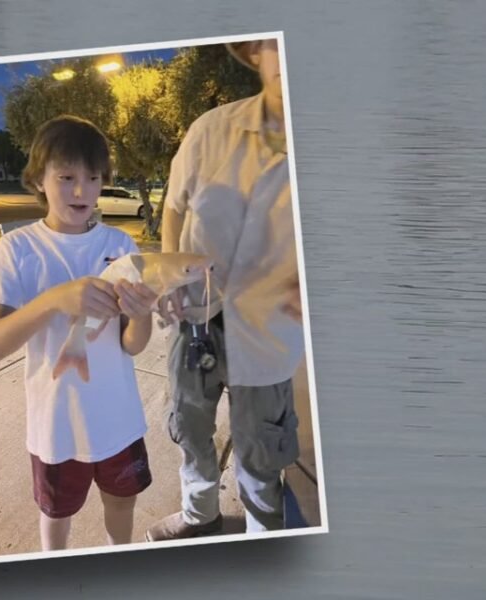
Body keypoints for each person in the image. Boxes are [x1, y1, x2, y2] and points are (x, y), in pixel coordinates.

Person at [146, 38, 305, 541]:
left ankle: (265, 534)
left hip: (271, 330)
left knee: (262, 446)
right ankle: (200, 516)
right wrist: (170, 268)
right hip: (196, 316)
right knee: (190, 427)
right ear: (257, 53)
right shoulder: (210, 130)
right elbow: (173, 207)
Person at [0, 115, 159, 551]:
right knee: (56, 516)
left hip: (118, 419)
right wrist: (57, 300)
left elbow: (132, 344)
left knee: (122, 505)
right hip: (56, 425)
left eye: (93, 178)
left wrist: (141, 314)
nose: (81, 191)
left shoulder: (119, 246)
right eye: (66, 177)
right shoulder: (18, 249)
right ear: (38, 180)